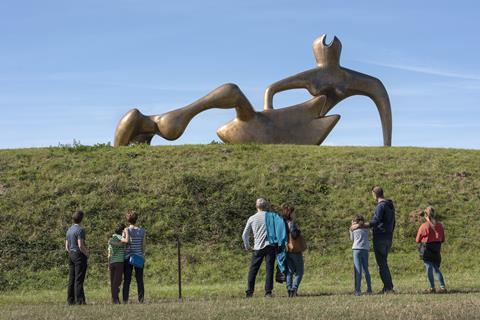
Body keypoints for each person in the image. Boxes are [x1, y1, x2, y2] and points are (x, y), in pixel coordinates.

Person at [352, 186, 395, 293]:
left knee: (382, 264)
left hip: (380, 237)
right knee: (384, 262)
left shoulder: (380, 206)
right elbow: (393, 222)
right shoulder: (390, 206)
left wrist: (360, 225)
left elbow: (375, 221)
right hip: (388, 237)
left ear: (374, 194)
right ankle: (388, 286)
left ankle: (388, 288)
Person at [242, 198, 277, 297]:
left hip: (257, 247)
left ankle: (249, 291)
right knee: (269, 269)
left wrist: (247, 246)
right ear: (266, 206)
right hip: (270, 245)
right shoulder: (271, 217)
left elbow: (244, 235)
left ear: (256, 206)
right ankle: (268, 292)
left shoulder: (252, 218)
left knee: (253, 269)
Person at [416, 206, 446, 293]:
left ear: (426, 215)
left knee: (428, 267)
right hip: (437, 249)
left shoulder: (424, 226)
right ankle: (442, 286)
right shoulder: (440, 225)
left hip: (427, 248)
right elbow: (443, 239)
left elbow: (417, 239)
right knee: (436, 268)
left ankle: (432, 287)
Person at [280, 204, 306, 297]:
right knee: (300, 271)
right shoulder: (292, 223)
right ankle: (294, 288)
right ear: (290, 213)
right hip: (294, 250)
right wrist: (298, 230)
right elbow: (294, 235)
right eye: (293, 212)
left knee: (289, 271)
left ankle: (289, 289)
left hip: (285, 250)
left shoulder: (281, 223)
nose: (294, 214)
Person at [65, 210, 89, 305]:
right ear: (81, 219)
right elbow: (80, 245)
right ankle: (80, 300)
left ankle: (70, 300)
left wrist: (71, 252)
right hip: (79, 255)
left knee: (72, 278)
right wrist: (86, 253)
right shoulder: (80, 230)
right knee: (79, 279)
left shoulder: (69, 230)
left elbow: (66, 246)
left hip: (71, 255)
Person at [122, 211, 146, 303]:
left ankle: (125, 300)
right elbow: (143, 245)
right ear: (136, 219)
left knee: (127, 280)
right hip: (139, 257)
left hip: (128, 257)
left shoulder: (126, 230)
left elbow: (124, 243)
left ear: (128, 220)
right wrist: (142, 254)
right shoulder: (142, 231)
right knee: (139, 280)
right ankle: (141, 299)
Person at [350, 214, 372, 296]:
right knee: (366, 269)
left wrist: (352, 226)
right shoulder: (366, 228)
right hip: (365, 249)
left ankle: (358, 290)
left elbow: (351, 239)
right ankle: (369, 289)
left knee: (358, 270)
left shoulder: (353, 229)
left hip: (356, 249)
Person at [108, 223, 126, 304]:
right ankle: (116, 300)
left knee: (113, 281)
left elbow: (109, 252)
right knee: (117, 282)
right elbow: (124, 245)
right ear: (122, 231)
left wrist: (109, 263)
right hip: (119, 262)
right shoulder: (121, 238)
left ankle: (114, 298)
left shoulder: (112, 238)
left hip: (112, 262)